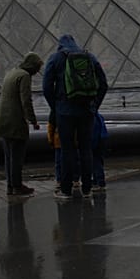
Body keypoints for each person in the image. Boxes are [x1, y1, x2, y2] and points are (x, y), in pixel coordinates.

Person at [42, 34, 107, 197]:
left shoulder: (55, 58)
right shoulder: (89, 57)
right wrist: (94, 105)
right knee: (86, 149)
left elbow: (46, 86)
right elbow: (103, 84)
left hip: (65, 111)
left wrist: (55, 106)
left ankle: (66, 189)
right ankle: (87, 189)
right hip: (86, 111)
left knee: (66, 150)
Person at [0, 52, 43, 195]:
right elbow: (26, 100)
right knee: (17, 156)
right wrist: (33, 121)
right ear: (33, 65)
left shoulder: (12, 73)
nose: (38, 71)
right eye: (38, 67)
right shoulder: (24, 76)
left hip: (2, 119)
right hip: (14, 120)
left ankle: (10, 185)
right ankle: (17, 186)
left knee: (8, 155)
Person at [89, 110, 108, 194]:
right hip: (102, 140)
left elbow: (93, 134)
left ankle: (99, 183)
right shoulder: (99, 116)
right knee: (99, 161)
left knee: (96, 162)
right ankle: (98, 181)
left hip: (96, 142)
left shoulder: (92, 119)